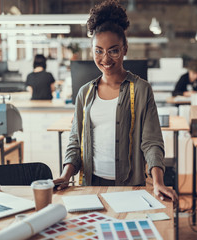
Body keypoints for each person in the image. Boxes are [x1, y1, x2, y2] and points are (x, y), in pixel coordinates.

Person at [54, 0, 177, 203]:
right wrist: (65, 175)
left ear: (125, 48)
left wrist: (158, 182)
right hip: (90, 186)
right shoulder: (84, 94)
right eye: (98, 50)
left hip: (129, 187)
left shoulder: (141, 89)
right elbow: (75, 142)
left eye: (113, 50)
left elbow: (151, 142)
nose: (105, 59)